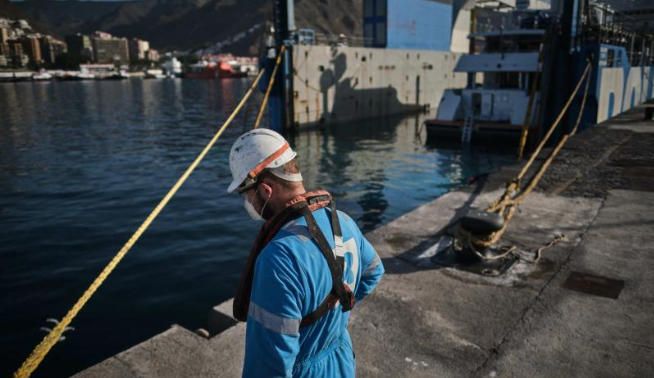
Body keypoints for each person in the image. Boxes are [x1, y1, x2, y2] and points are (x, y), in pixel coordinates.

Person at [227, 128, 384, 377]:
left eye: (248, 194)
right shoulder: (343, 222)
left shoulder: (278, 261)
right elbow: (374, 271)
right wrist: (334, 316)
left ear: (266, 190)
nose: (248, 203)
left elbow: (269, 368)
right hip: (341, 361)